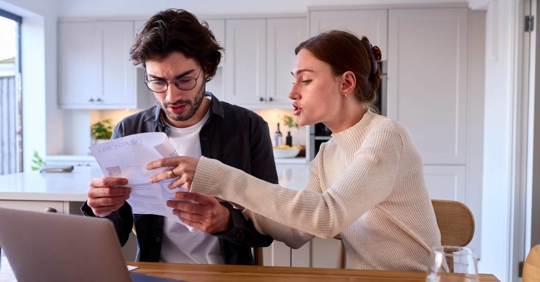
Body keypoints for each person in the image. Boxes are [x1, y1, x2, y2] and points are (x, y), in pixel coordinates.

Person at [146, 30, 442, 271]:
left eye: (306, 80)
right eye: (294, 79)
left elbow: (327, 217)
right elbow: (296, 232)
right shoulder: (329, 153)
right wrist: (229, 208)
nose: (292, 92)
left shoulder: (386, 136)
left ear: (346, 83)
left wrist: (220, 177)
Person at [81, 9, 277, 265]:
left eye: (185, 80)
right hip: (156, 273)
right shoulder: (129, 130)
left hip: (229, 275)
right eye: (158, 82)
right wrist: (101, 210)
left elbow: (269, 228)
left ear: (207, 69)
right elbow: (115, 237)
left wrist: (227, 222)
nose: (171, 96)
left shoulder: (248, 127)